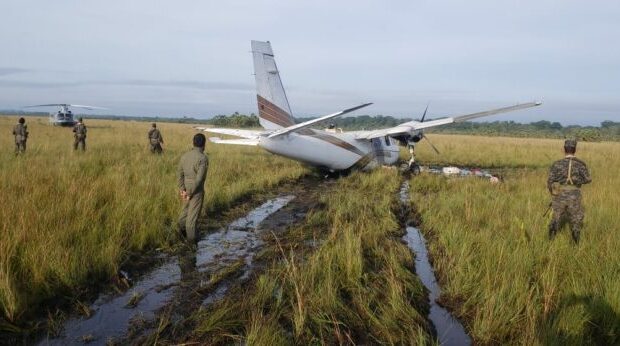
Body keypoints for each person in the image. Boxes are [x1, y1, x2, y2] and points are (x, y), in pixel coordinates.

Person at [547, 139, 591, 244]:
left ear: (564, 149)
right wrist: (577, 180)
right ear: (574, 150)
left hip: (560, 193)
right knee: (576, 220)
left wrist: (552, 193)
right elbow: (588, 179)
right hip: (575, 194)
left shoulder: (557, 164)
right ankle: (575, 245)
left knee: (555, 218)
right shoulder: (580, 164)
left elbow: (550, 181)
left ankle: (550, 243)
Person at [177, 133, 209, 243]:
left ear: (193, 142)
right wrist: (190, 193)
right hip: (196, 190)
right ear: (204, 144)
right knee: (192, 219)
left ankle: (181, 236)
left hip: (185, 188)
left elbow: (180, 174)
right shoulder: (203, 158)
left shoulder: (184, 156)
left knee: (184, 214)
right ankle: (191, 244)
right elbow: (199, 180)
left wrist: (182, 190)